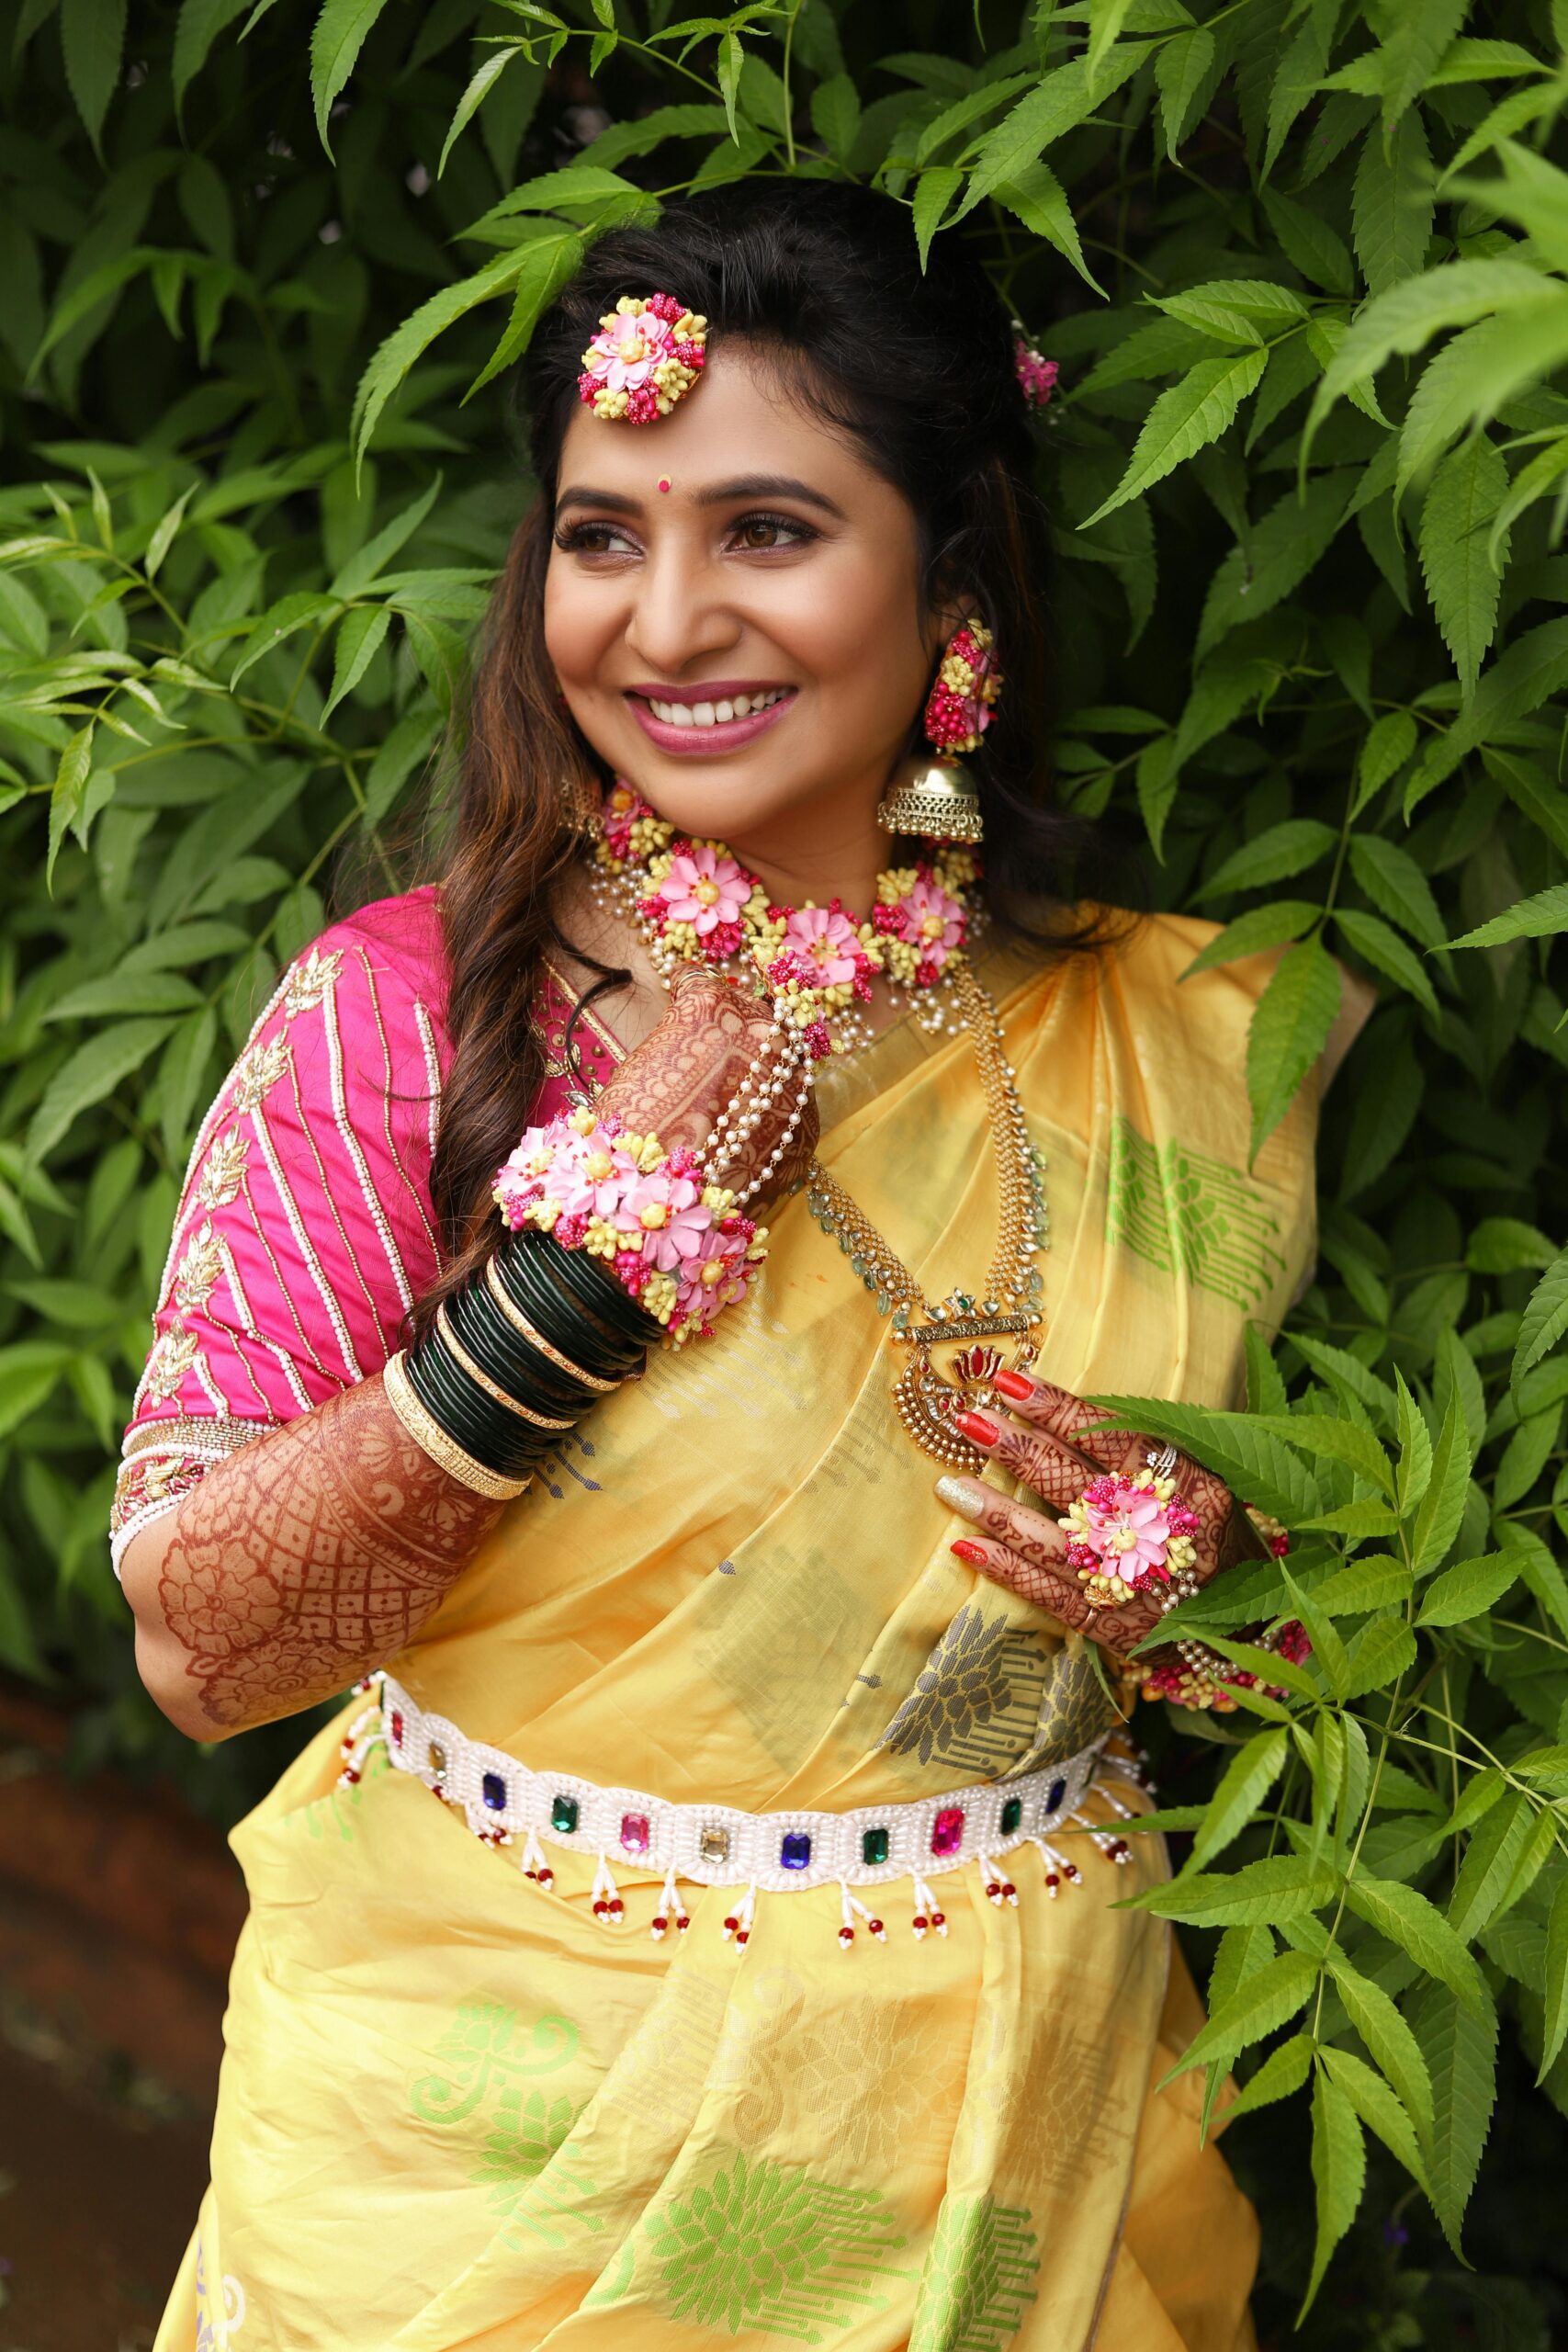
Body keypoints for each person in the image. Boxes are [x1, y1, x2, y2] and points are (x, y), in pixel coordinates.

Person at [118, 183, 1363, 2352]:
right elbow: (201, 1648)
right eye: (603, 535)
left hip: (1016, 2129)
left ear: (948, 586)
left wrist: (1195, 1593)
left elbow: (1296, 1679)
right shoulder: (414, 1017)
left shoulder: (1196, 1031)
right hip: (489, 2160)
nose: (666, 619)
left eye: (767, 530)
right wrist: (567, 1280)